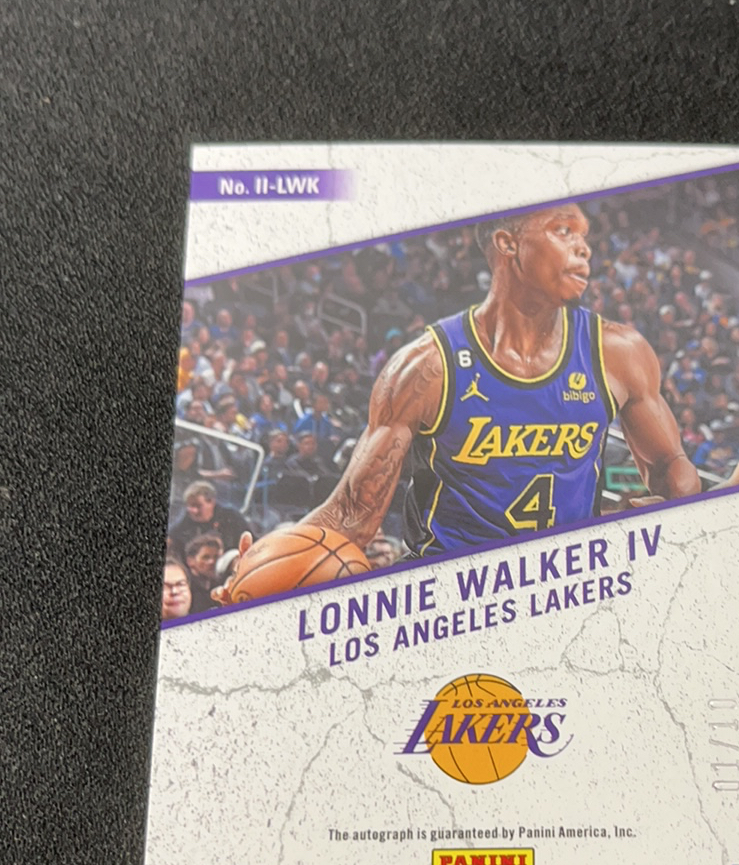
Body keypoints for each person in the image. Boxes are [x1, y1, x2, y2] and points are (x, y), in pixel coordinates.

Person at [215, 204, 699, 602]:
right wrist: (262, 565)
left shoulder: (617, 351)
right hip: (447, 594)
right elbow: (352, 515)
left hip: (563, 588)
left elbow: (671, 464)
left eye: (585, 234)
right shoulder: (427, 367)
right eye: (563, 231)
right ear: (508, 243)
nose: (584, 246)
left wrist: (671, 506)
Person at [168, 480, 254, 557]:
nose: (194, 511)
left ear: (211, 502)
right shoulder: (183, 525)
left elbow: (250, 541)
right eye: (190, 506)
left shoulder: (231, 517)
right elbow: (171, 539)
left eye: (198, 506)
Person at [184, 534, 224, 614]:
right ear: (190, 561)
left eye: (216, 557)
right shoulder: (185, 591)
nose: (212, 562)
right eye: (206, 557)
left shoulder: (221, 586)